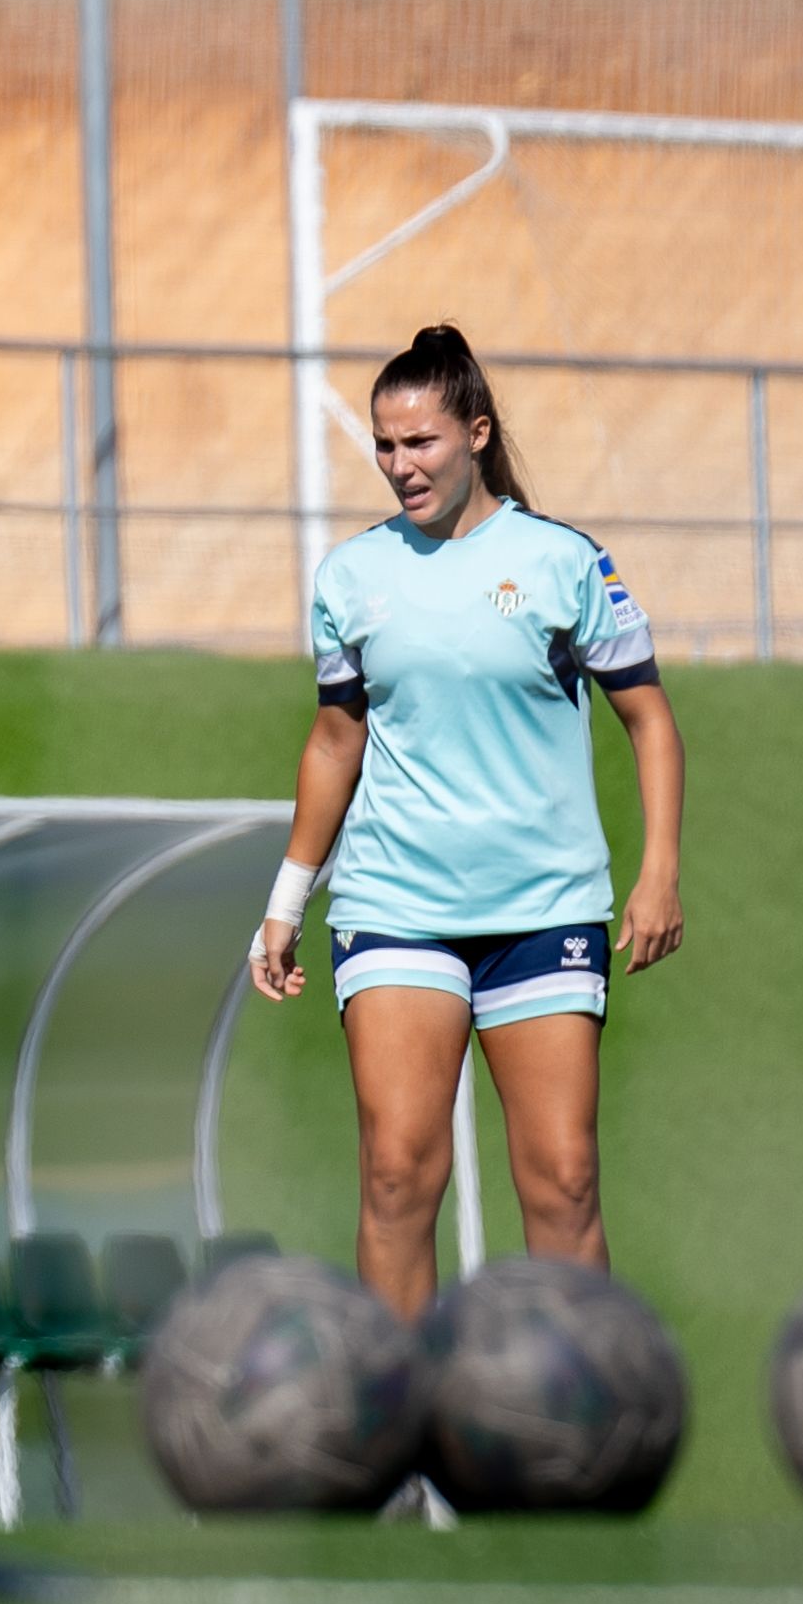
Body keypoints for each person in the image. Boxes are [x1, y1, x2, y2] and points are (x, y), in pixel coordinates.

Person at [249, 324, 687, 1326]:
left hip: (542, 905)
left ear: (476, 433)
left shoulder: (562, 561)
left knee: (562, 1180)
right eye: (385, 444)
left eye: (421, 442)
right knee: (398, 1174)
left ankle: (569, 1423)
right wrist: (284, 901)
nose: (400, 464)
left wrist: (657, 871)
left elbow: (648, 719)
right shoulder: (351, 576)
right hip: (395, 905)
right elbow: (332, 741)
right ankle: (395, 1430)